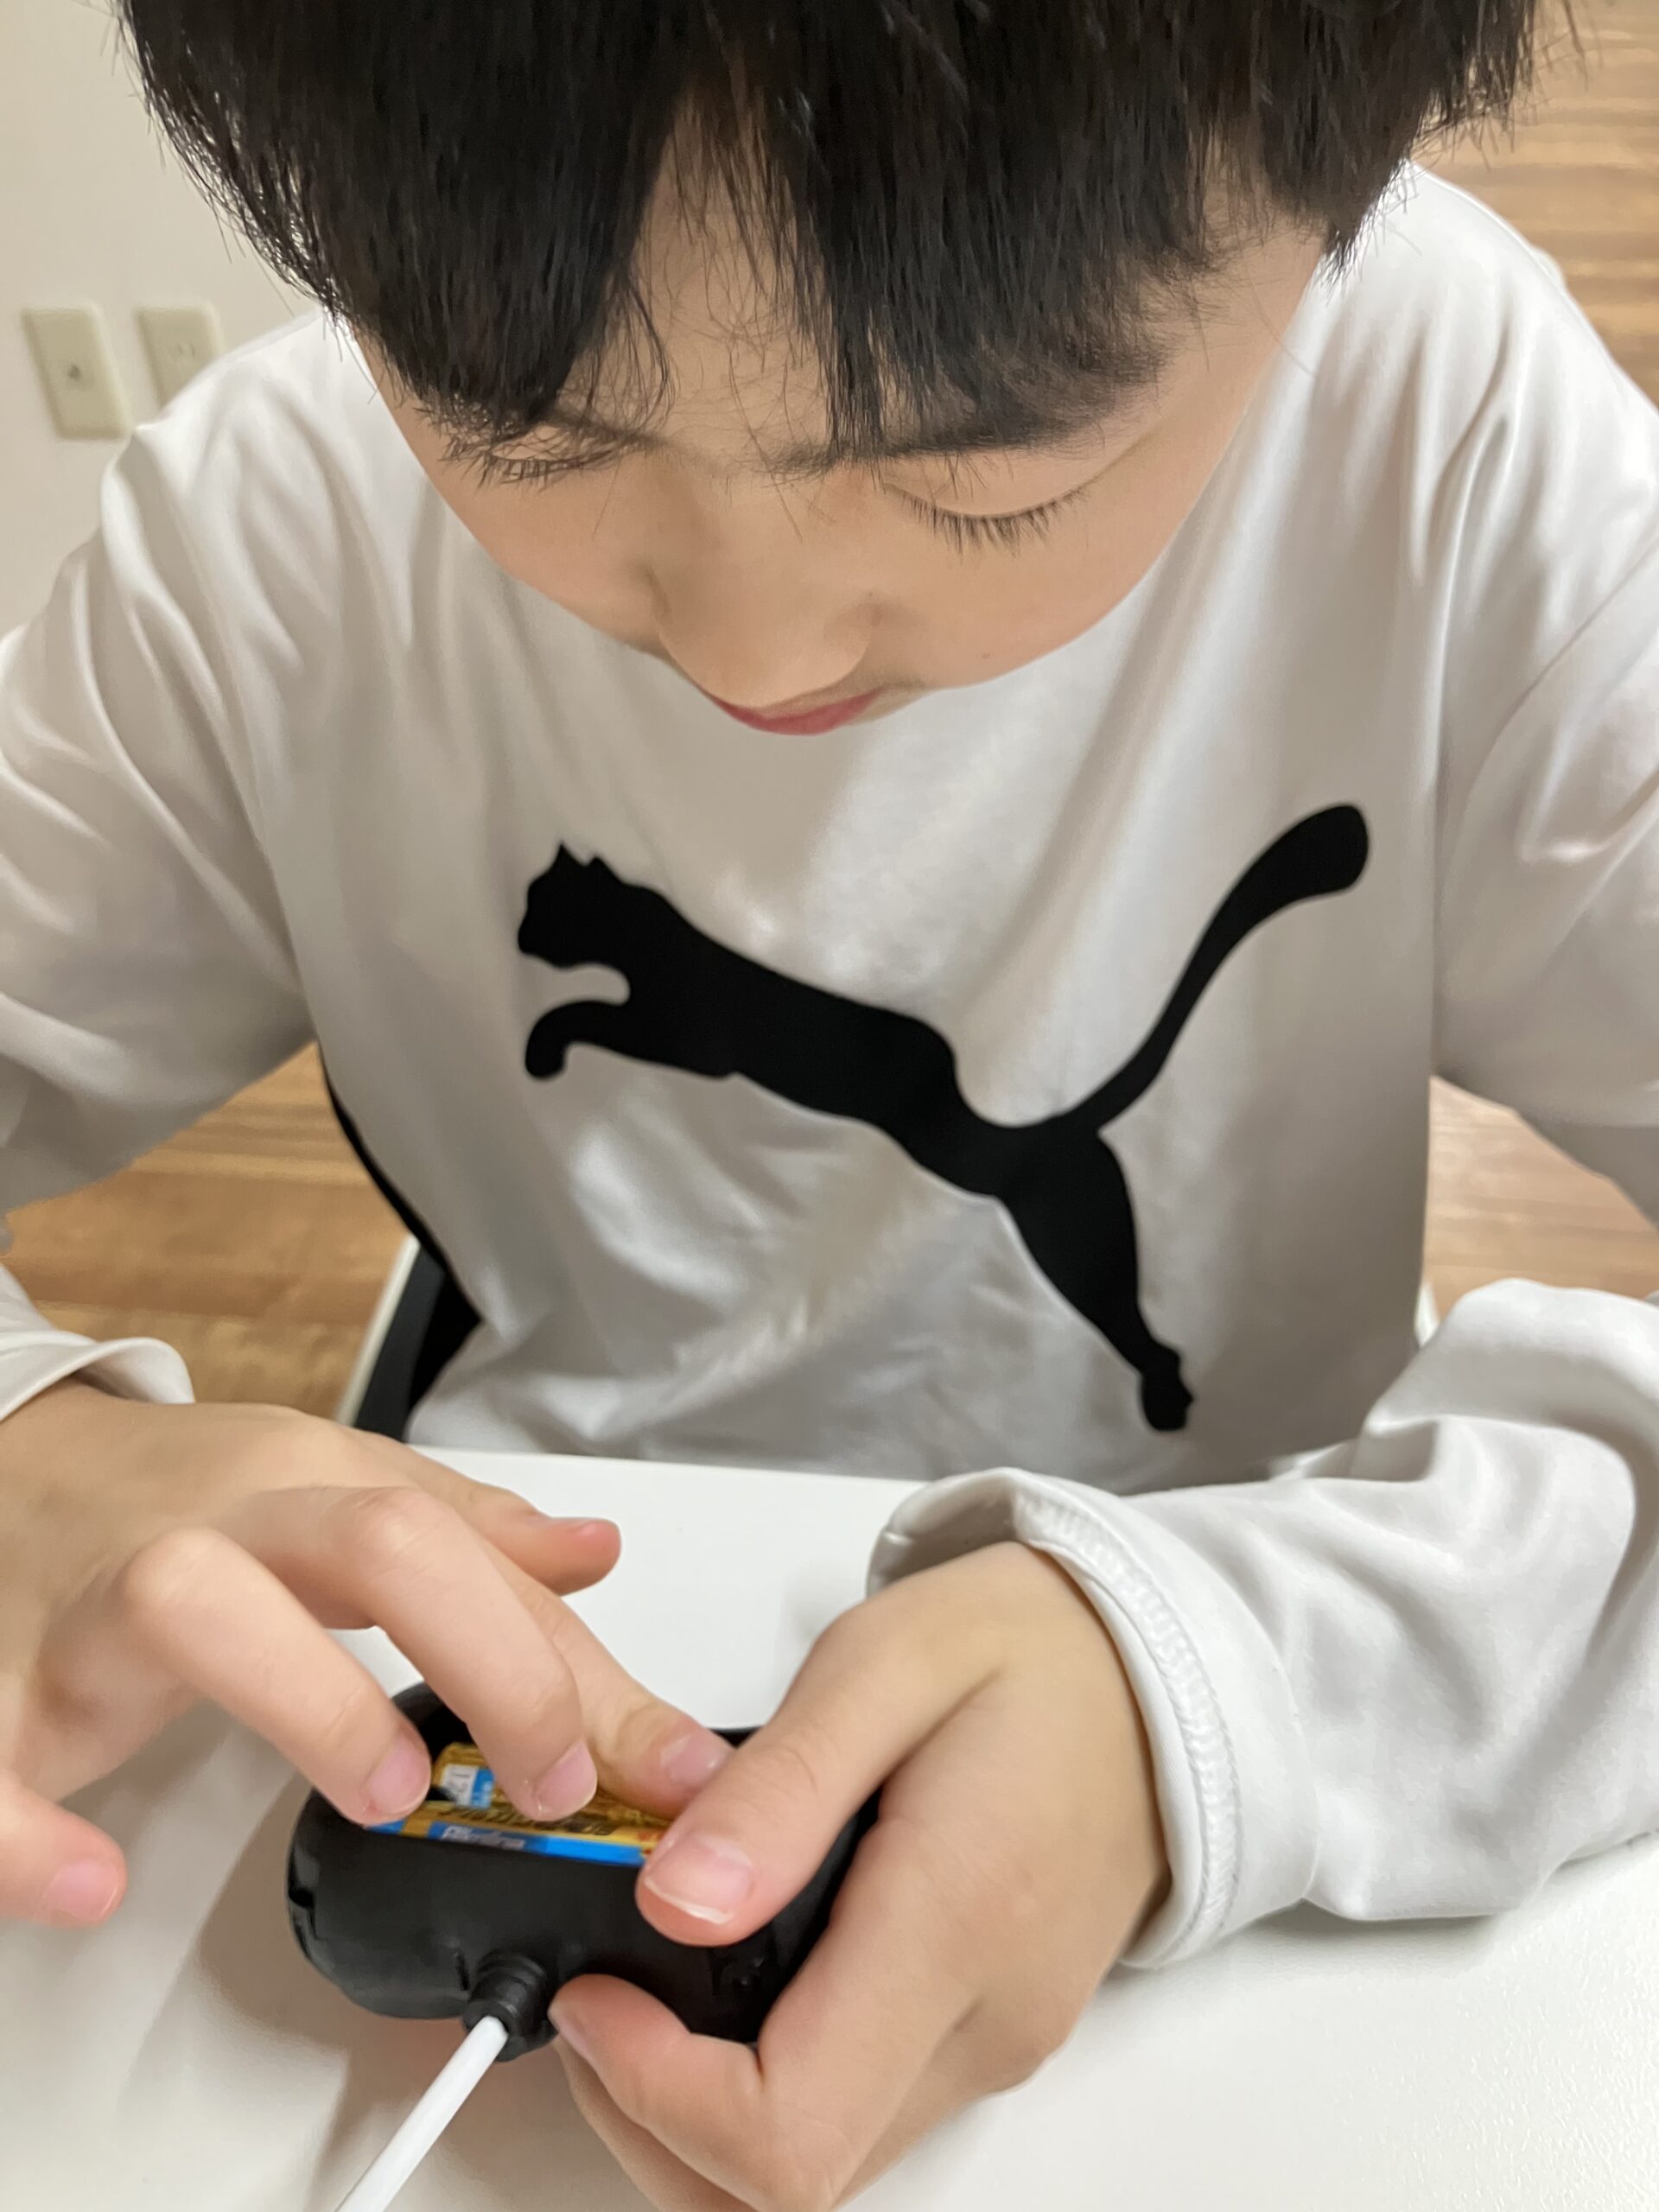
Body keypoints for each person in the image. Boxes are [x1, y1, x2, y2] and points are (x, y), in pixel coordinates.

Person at [3, 2, 1656, 2203]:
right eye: (526, 424)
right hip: (543, 1651)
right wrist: (30, 1446)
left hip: (1245, 1647)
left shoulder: (1464, 466)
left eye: (995, 472)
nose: (755, 653)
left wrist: (1228, 1685)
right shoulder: (265, 541)